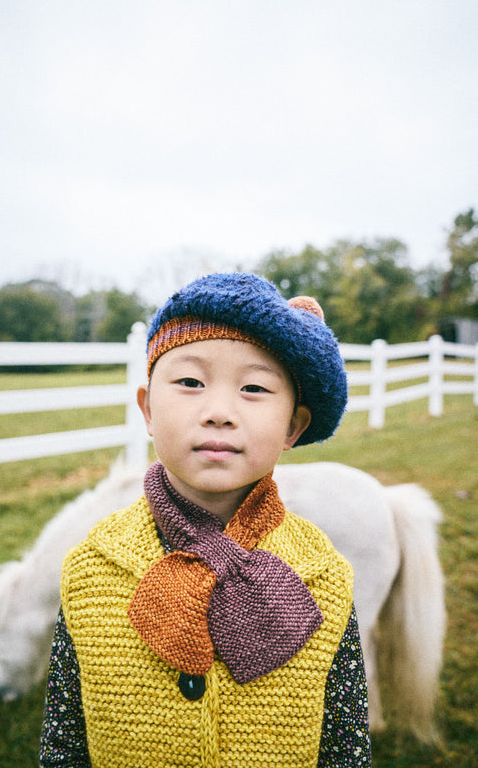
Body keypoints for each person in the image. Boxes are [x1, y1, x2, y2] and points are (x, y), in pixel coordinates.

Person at [39, 272, 371, 768]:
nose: (218, 412)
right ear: (148, 410)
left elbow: (345, 747)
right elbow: (65, 743)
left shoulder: (324, 576)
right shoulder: (90, 570)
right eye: (190, 382)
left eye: (254, 387)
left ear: (293, 426)